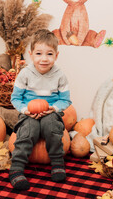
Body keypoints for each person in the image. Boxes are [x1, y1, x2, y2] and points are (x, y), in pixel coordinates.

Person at [9, 29, 72, 190]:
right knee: (29, 129)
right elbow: (15, 98)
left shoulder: (60, 76)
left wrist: (54, 108)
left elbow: (65, 99)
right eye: (39, 53)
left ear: (56, 55)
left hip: (51, 112)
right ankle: (16, 168)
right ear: (31, 54)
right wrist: (24, 110)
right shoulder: (25, 74)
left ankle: (57, 162)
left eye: (49, 54)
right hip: (29, 113)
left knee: (51, 126)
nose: (44, 59)